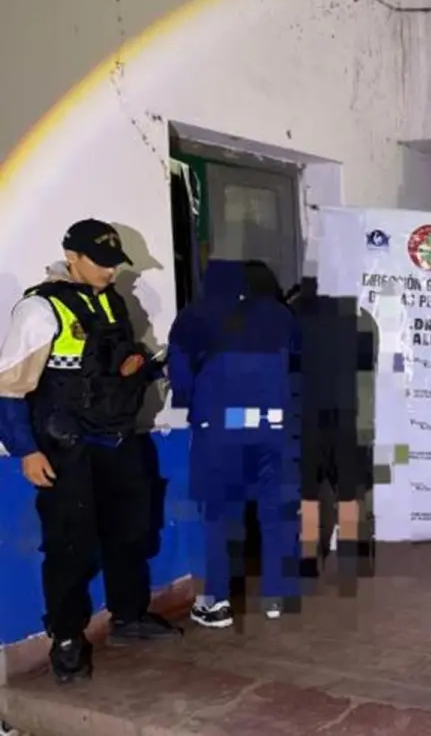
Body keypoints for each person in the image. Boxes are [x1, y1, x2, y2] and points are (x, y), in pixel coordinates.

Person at [0, 218, 178, 683]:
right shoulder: (40, 309)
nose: (110, 271)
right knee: (70, 546)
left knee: (130, 533)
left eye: (115, 263)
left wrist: (143, 366)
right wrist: (25, 451)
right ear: (72, 257)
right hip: (68, 450)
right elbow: (10, 389)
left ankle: (129, 616)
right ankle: (66, 639)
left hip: (118, 441)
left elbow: (110, 367)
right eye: (101, 262)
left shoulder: (113, 301)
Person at [169, 259, 302, 628]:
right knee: (276, 512)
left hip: (220, 427)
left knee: (220, 514)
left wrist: (192, 404)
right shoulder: (280, 316)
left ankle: (217, 603)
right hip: (273, 425)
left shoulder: (194, 316)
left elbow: (180, 378)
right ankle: (276, 596)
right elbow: (297, 367)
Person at [287, 277, 376, 587]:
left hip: (307, 418)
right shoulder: (361, 316)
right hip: (350, 416)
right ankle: (354, 557)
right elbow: (366, 373)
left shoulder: (293, 316)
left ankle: (309, 559)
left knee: (309, 494)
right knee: (351, 491)